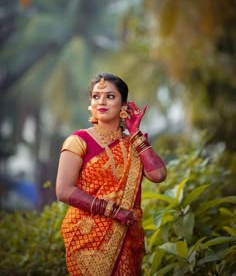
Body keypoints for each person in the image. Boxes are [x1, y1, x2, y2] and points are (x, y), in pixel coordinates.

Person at [56, 72, 167, 276]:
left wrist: (136, 135)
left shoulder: (133, 144)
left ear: (124, 105)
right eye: (96, 96)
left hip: (125, 236)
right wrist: (115, 212)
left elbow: (158, 175)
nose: (102, 101)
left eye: (110, 96)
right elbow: (63, 191)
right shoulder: (78, 140)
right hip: (87, 237)